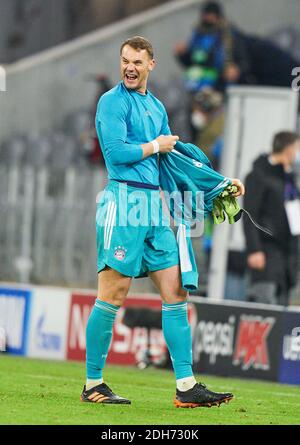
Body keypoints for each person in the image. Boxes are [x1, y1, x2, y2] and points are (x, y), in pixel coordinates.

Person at [80, 36, 244, 407]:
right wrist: (156, 145)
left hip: (153, 208)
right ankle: (93, 383)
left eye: (137, 61)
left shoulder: (155, 107)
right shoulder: (110, 102)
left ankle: (186, 386)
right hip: (123, 202)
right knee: (113, 293)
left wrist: (220, 184)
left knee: (175, 292)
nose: (130, 67)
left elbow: (174, 161)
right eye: (125, 60)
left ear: (151, 64)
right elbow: (116, 153)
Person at [243, 131, 300, 306]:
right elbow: (249, 214)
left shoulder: (289, 181)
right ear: (288, 149)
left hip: (287, 256)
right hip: (266, 253)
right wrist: (254, 249)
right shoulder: (259, 175)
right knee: (265, 303)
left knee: (282, 308)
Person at [174, 1, 251, 93]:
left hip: (220, 87)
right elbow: (192, 62)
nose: (208, 18)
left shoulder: (229, 35)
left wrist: (236, 69)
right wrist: (183, 54)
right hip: (195, 87)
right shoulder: (197, 34)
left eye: (211, 14)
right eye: (206, 14)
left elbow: (243, 61)